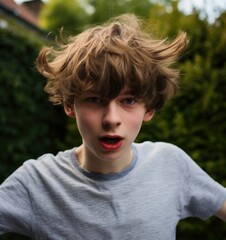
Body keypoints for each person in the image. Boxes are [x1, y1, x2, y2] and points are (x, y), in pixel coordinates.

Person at [0, 14, 226, 239]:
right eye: (95, 100)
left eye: (128, 100)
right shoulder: (36, 182)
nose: (111, 118)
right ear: (70, 104)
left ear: (149, 108)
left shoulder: (171, 164)